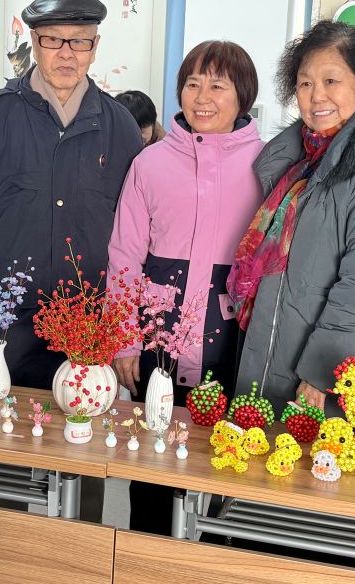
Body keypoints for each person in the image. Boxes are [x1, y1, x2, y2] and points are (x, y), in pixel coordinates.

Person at [0, 0, 143, 390]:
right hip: (6, 324)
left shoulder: (121, 128)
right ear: (34, 41)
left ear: (95, 47)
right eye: (53, 40)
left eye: (79, 41)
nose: (67, 53)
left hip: (89, 325)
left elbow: (135, 235)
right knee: (0, 424)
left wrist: (125, 327)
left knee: (82, 423)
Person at [229, 20, 355, 417]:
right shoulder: (301, 164)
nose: (316, 96)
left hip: (343, 380)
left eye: (331, 81)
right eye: (305, 83)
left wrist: (324, 370)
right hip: (283, 359)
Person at [107, 40, 262, 533]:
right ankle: (145, 556)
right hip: (158, 336)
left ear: (243, 96)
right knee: (151, 463)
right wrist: (125, 339)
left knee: (231, 465)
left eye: (218, 85)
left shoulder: (267, 165)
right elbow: (124, 255)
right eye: (192, 84)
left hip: (235, 339)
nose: (202, 97)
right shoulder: (149, 163)